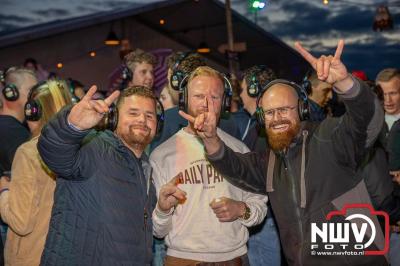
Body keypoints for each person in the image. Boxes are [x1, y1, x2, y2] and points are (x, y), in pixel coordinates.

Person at [183, 40, 390, 265]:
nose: (277, 118)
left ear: (302, 110)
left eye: (284, 110)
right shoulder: (270, 161)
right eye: (270, 113)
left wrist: (345, 83)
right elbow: (236, 167)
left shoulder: (329, 137)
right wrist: (211, 139)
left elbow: (368, 121)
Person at [151, 66, 268, 265]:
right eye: (198, 96)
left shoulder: (239, 149)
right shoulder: (162, 155)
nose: (206, 103)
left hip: (233, 259)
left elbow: (259, 208)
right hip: (182, 259)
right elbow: (158, 230)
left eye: (214, 97)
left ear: (223, 102)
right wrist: (163, 210)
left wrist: (241, 209)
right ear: (185, 99)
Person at [37, 85, 159, 265]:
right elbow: (54, 151)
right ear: (114, 117)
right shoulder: (94, 147)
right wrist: (71, 127)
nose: (142, 119)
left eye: (149, 115)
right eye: (133, 113)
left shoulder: (146, 168)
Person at [0, 80, 72, 266]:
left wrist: (4, 191)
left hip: (31, 256)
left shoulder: (29, 153)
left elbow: (21, 222)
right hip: (67, 253)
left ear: (35, 111)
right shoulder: (81, 148)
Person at [232, 65, 281, 266]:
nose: (241, 95)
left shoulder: (265, 127)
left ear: (254, 90)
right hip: (264, 218)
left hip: (264, 220)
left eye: (243, 89)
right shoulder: (257, 124)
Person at [376, 68, 400, 265]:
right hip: (377, 222)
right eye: (383, 94)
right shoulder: (370, 125)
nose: (388, 100)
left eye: (393, 93)